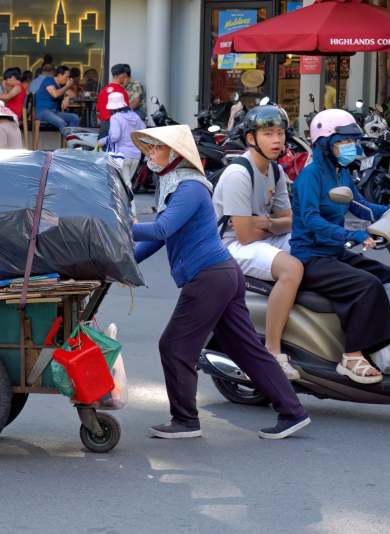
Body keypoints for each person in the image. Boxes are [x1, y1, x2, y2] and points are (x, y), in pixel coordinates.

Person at [130, 125, 311, 440]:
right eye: (148, 148)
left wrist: (122, 225)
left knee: (174, 346)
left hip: (209, 277)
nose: (150, 154)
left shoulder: (189, 188)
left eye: (155, 148)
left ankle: (185, 420)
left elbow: (160, 229)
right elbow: (160, 239)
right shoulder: (175, 185)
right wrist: (125, 263)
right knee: (246, 349)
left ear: (174, 154)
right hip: (221, 275)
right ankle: (292, 412)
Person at [290, 109, 390, 384]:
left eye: (352, 141)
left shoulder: (341, 174)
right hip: (311, 257)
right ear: (324, 143)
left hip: (334, 253)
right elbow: (310, 219)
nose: (350, 146)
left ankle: (379, 347)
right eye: (343, 141)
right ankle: (351, 356)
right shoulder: (311, 176)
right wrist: (351, 236)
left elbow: (361, 206)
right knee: (367, 285)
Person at [212, 105, 302, 380]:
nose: (277, 140)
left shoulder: (274, 171)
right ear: (251, 138)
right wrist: (268, 224)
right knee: (292, 269)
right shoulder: (239, 173)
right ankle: (273, 351)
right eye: (268, 133)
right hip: (229, 247)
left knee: (307, 245)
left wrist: (267, 223)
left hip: (260, 236)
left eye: (280, 133)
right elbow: (244, 235)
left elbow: (289, 220)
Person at [97, 92, 144, 189]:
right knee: (126, 182)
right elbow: (143, 132)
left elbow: (115, 136)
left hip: (121, 156)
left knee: (123, 185)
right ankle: (126, 203)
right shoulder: (135, 116)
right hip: (136, 155)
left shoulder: (116, 117)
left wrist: (102, 141)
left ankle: (129, 204)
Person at [34, 65, 80, 131]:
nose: (67, 79)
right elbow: (55, 94)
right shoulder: (49, 80)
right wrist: (67, 86)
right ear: (59, 75)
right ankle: (72, 139)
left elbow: (74, 95)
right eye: (66, 77)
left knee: (75, 118)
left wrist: (67, 97)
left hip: (54, 112)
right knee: (61, 122)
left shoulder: (61, 86)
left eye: (68, 77)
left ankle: (71, 139)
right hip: (43, 111)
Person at [96, 64, 130, 136]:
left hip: (104, 127)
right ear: (121, 76)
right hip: (117, 127)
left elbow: (98, 111)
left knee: (103, 146)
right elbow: (126, 113)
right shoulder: (122, 93)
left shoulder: (103, 91)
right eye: (124, 76)